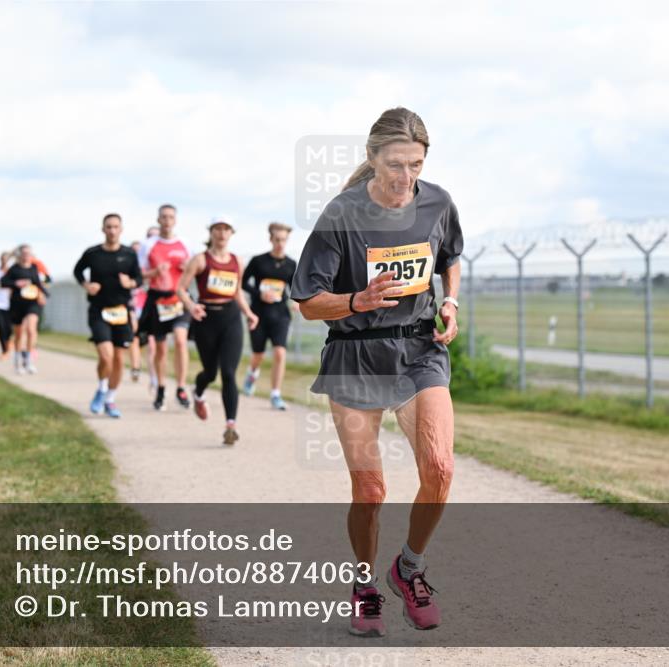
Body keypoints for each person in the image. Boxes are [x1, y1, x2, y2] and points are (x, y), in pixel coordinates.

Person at [290, 107, 462, 637]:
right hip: (356, 355)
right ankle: (365, 584)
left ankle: (407, 569)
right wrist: (356, 299)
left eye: (415, 163)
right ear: (371, 158)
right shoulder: (341, 214)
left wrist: (451, 301)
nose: (405, 177)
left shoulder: (437, 201)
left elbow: (451, 254)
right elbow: (308, 303)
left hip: (417, 352)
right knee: (370, 492)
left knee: (440, 467)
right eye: (394, 164)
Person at [176, 215, 259, 445]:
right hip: (206, 319)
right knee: (210, 372)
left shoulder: (237, 261)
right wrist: (192, 306)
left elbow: (236, 291)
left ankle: (230, 425)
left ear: (231, 233)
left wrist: (249, 313)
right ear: (211, 232)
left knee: (229, 373)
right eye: (217, 229)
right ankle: (198, 392)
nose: (222, 233)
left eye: (226, 229)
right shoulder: (200, 260)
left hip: (231, 318)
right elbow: (181, 289)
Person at [74, 213, 143, 418]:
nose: (112, 230)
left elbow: (138, 278)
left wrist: (130, 283)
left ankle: (110, 399)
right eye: (108, 227)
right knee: (106, 355)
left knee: (119, 360)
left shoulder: (129, 254)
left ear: (121, 230)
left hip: (121, 311)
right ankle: (102, 389)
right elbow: (77, 271)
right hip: (98, 310)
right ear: (103, 229)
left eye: (115, 227)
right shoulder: (93, 253)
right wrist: (86, 285)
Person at [140, 204, 193, 411]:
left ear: (176, 220)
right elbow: (139, 273)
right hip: (158, 300)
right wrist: (153, 273)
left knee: (181, 341)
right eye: (164, 217)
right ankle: (161, 387)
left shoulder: (185, 244)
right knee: (160, 349)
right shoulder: (149, 244)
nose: (167, 220)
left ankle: (181, 386)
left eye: (171, 217)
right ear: (158, 219)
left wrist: (186, 269)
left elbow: (195, 270)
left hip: (178, 298)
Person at [241, 222, 298, 410]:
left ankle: (275, 394)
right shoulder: (258, 261)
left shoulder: (291, 264)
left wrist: (297, 301)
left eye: (283, 240)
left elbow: (296, 288)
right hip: (258, 314)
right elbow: (243, 283)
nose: (280, 243)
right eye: (277, 239)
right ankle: (252, 374)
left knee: (280, 352)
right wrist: (259, 294)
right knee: (258, 354)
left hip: (281, 315)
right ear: (271, 239)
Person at [1, 244, 48, 374]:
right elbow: (3, 282)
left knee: (31, 330)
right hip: (17, 304)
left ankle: (28, 360)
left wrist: (44, 294)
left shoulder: (34, 268)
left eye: (29, 253)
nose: (26, 255)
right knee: (19, 333)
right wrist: (16, 283)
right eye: (24, 253)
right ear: (20, 255)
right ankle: (17, 361)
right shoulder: (14, 269)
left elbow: (38, 283)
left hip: (32, 303)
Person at [128, 240, 147, 382]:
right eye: (133, 250)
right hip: (133, 307)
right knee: (134, 337)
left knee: (149, 341)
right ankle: (136, 367)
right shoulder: (127, 269)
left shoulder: (148, 268)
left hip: (148, 307)